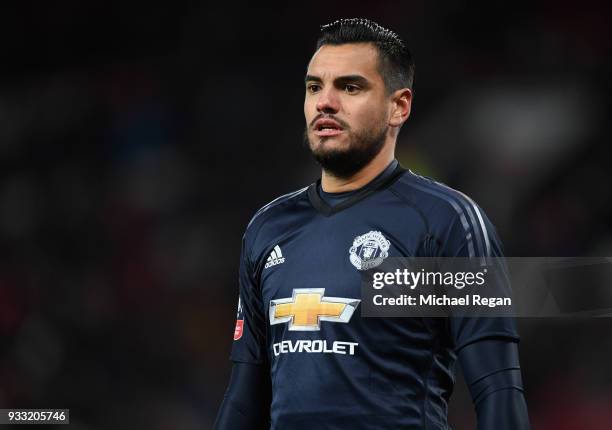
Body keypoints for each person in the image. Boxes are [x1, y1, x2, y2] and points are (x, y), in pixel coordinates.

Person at [215, 18, 530, 429]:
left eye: (350, 87)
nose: (325, 102)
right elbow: (244, 400)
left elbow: (498, 391)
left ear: (399, 106)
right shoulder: (268, 228)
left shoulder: (446, 223)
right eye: (314, 87)